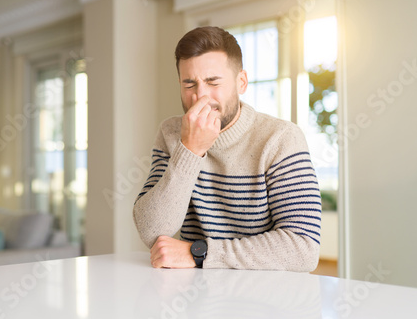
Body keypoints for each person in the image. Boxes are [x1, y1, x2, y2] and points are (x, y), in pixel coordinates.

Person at [133, 26, 322, 271]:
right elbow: (152, 231)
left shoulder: (281, 138)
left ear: (241, 82)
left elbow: (303, 248)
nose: (201, 96)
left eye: (213, 82)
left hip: (266, 300)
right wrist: (190, 150)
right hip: (196, 296)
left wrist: (199, 253)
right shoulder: (171, 134)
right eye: (189, 84)